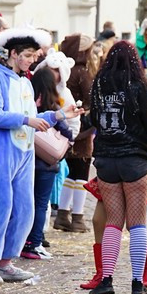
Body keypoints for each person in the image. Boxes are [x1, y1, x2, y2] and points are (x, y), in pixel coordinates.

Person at [0, 27, 80, 286]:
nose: (32, 60)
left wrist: (59, 115)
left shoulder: (24, 81)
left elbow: (32, 119)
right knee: (0, 208)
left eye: (34, 55)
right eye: (27, 55)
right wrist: (27, 120)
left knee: (24, 209)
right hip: (2, 151)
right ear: (13, 54)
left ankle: (6, 260)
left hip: (24, 151)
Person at [88, 41, 147, 294]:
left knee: (113, 223)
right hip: (135, 160)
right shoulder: (142, 87)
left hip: (107, 160)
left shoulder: (98, 86)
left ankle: (106, 278)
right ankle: (136, 282)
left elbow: (95, 120)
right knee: (138, 223)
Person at [21, 66, 74, 261]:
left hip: (27, 161)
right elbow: (68, 133)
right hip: (47, 164)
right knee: (41, 204)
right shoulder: (52, 107)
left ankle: (22, 241)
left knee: (26, 203)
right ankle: (34, 243)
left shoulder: (27, 104)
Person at [55, 33, 96, 234]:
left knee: (71, 172)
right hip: (81, 126)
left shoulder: (65, 71)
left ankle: (63, 214)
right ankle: (77, 217)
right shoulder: (82, 72)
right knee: (82, 173)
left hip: (65, 126)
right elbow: (91, 99)